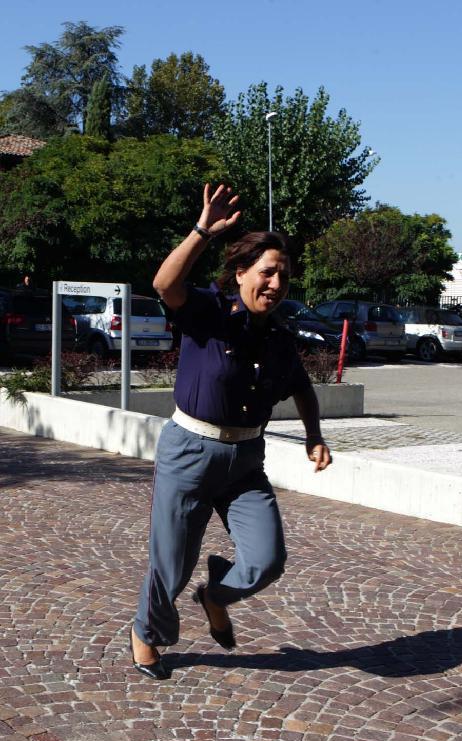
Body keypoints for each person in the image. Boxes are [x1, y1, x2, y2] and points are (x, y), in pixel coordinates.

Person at [130, 184, 332, 680]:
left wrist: (314, 435)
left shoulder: (281, 338)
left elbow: (303, 388)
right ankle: (146, 632)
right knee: (171, 565)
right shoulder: (208, 312)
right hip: (189, 453)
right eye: (267, 272)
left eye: (283, 275)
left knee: (267, 560)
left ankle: (214, 594)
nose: (276, 283)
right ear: (241, 273)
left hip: (245, 462)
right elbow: (164, 284)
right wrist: (202, 230)